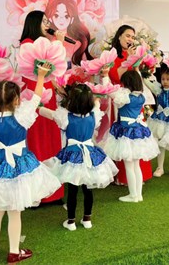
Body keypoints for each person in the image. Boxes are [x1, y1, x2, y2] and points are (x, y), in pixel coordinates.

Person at [0, 64, 61, 264]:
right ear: (17, 99)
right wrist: (41, 76)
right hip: (19, 167)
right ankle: (14, 252)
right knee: (14, 212)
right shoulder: (22, 116)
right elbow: (36, 98)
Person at [39, 83, 118, 231]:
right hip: (90, 155)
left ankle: (71, 221)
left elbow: (49, 114)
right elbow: (96, 104)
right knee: (88, 189)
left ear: (72, 101)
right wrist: (96, 97)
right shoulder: (94, 115)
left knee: (73, 189)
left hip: (72, 156)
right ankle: (87, 219)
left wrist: (38, 106)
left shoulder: (65, 117)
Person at [19, 10, 65, 204]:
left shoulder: (41, 43)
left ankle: (54, 191)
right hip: (35, 94)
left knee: (51, 139)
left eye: (48, 21)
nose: (48, 25)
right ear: (34, 23)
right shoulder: (28, 44)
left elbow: (49, 72)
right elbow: (39, 73)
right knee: (39, 140)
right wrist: (59, 43)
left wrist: (55, 85)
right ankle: (41, 194)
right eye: (44, 21)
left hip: (46, 91)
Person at [104, 24, 153, 184]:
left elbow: (136, 77)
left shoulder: (133, 54)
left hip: (134, 100)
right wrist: (128, 60)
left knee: (136, 135)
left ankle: (139, 176)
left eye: (132, 37)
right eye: (127, 36)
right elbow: (115, 77)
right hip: (120, 98)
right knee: (122, 138)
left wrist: (136, 62)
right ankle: (123, 177)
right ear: (119, 36)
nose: (130, 39)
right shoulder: (112, 56)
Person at [102, 69, 159, 202]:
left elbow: (109, 91)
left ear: (127, 83)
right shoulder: (141, 96)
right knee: (136, 166)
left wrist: (105, 76)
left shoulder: (125, 96)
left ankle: (133, 195)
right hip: (138, 131)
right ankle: (138, 194)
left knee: (129, 166)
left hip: (126, 132)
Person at [148, 68, 169, 178]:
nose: (165, 81)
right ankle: (160, 167)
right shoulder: (159, 90)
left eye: (168, 79)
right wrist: (144, 71)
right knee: (160, 144)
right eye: (163, 79)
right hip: (160, 120)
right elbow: (147, 82)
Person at [44, 0, 93, 66]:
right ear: (50, 18)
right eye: (56, 15)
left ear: (72, 20)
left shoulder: (76, 44)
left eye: (66, 16)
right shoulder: (47, 42)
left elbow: (82, 66)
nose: (61, 20)